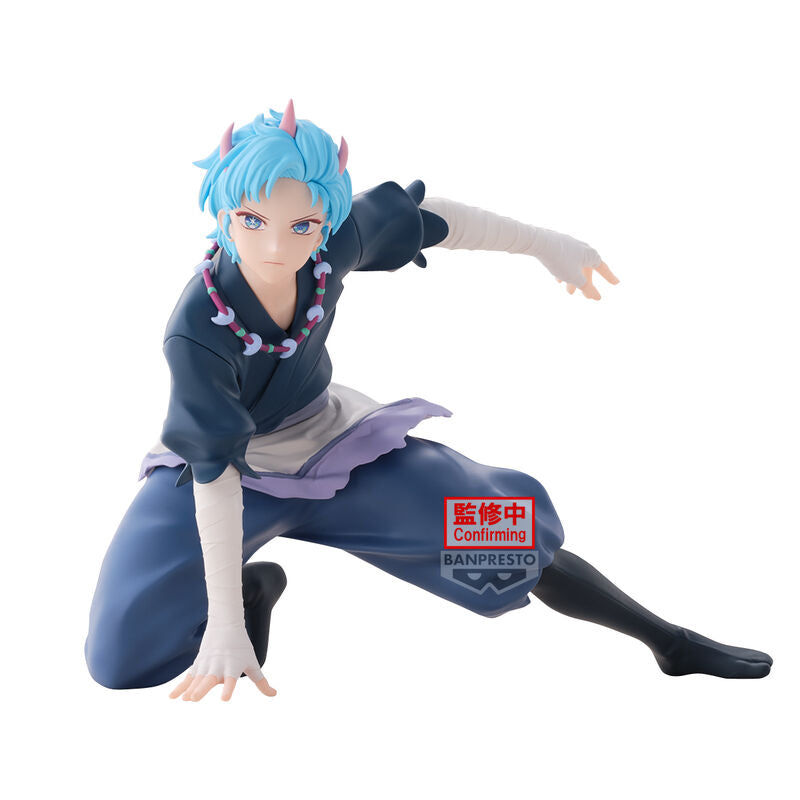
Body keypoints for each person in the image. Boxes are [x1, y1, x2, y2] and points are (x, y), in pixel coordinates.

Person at [84, 101, 773, 702]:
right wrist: (228, 623)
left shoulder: (329, 248)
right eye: (251, 219)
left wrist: (545, 245)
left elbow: (428, 218)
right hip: (220, 473)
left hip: (331, 450)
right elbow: (215, 474)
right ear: (223, 211)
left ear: (322, 219)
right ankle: (252, 587)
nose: (275, 245)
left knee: (507, 539)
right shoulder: (198, 329)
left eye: (300, 226)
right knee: (121, 659)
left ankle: (669, 642)